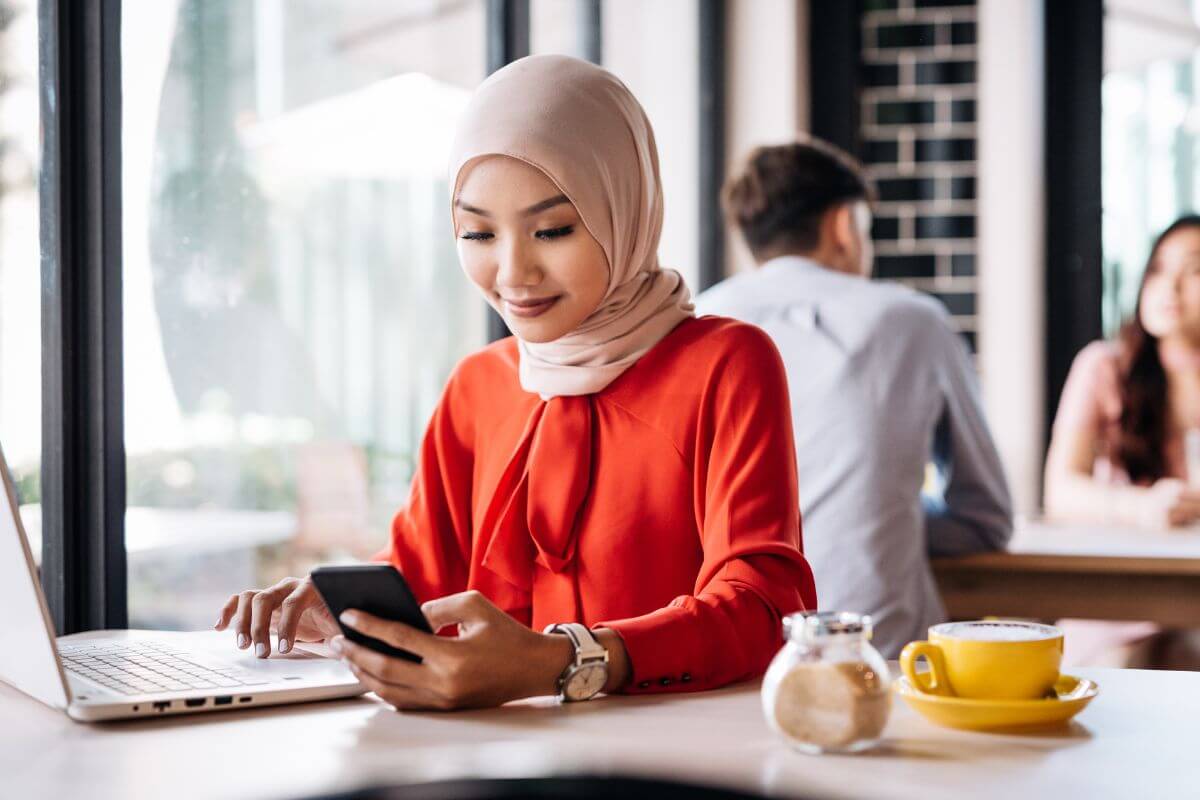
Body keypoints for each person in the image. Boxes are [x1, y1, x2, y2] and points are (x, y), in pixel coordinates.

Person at [214, 55, 817, 709]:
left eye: (553, 230)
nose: (513, 272)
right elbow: (420, 577)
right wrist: (337, 605)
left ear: (625, 206)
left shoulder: (726, 364)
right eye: (477, 232)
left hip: (669, 763)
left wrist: (562, 662)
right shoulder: (478, 386)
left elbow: (764, 608)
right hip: (485, 756)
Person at [695, 139, 1011, 657]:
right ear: (843, 225)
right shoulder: (910, 320)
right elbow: (986, 517)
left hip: (725, 656)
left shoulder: (699, 322)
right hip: (878, 664)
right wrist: (880, 508)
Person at [1044, 215, 1200, 667]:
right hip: (1122, 599)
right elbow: (1060, 490)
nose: (1168, 287)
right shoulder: (1103, 367)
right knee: (1137, 658)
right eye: (1158, 269)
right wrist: (1143, 506)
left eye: (1193, 270)